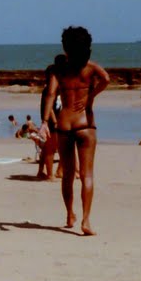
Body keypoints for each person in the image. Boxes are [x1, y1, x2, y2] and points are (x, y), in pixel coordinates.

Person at [41, 26, 110, 236]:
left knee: (68, 175)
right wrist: (91, 97)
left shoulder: (57, 70)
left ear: (65, 47)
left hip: (64, 125)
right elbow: (106, 79)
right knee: (87, 175)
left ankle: (70, 214)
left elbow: (51, 94)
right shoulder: (90, 68)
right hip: (85, 124)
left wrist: (45, 121)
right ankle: (86, 220)